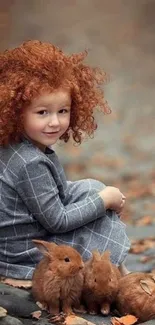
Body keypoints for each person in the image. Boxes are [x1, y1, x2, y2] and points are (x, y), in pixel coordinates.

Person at [0, 40, 130, 287]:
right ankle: (120, 278)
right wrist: (104, 201)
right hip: (26, 254)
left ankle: (119, 271)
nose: (55, 122)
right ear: (16, 112)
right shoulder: (29, 163)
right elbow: (57, 221)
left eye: (62, 111)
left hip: (19, 238)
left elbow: (51, 195)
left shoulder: (19, 145)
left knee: (90, 187)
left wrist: (97, 194)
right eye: (42, 113)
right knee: (100, 216)